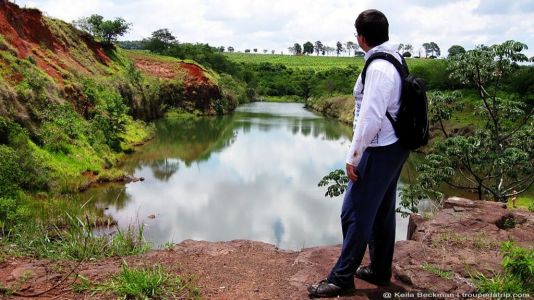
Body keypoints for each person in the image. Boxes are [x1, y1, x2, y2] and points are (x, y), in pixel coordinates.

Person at [308, 9, 409, 298]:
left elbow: (370, 118)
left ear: (361, 37)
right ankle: (379, 270)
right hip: (395, 146)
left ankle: (341, 278)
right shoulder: (395, 58)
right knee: (381, 211)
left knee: (353, 211)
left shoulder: (378, 68)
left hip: (379, 148)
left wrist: (354, 157)